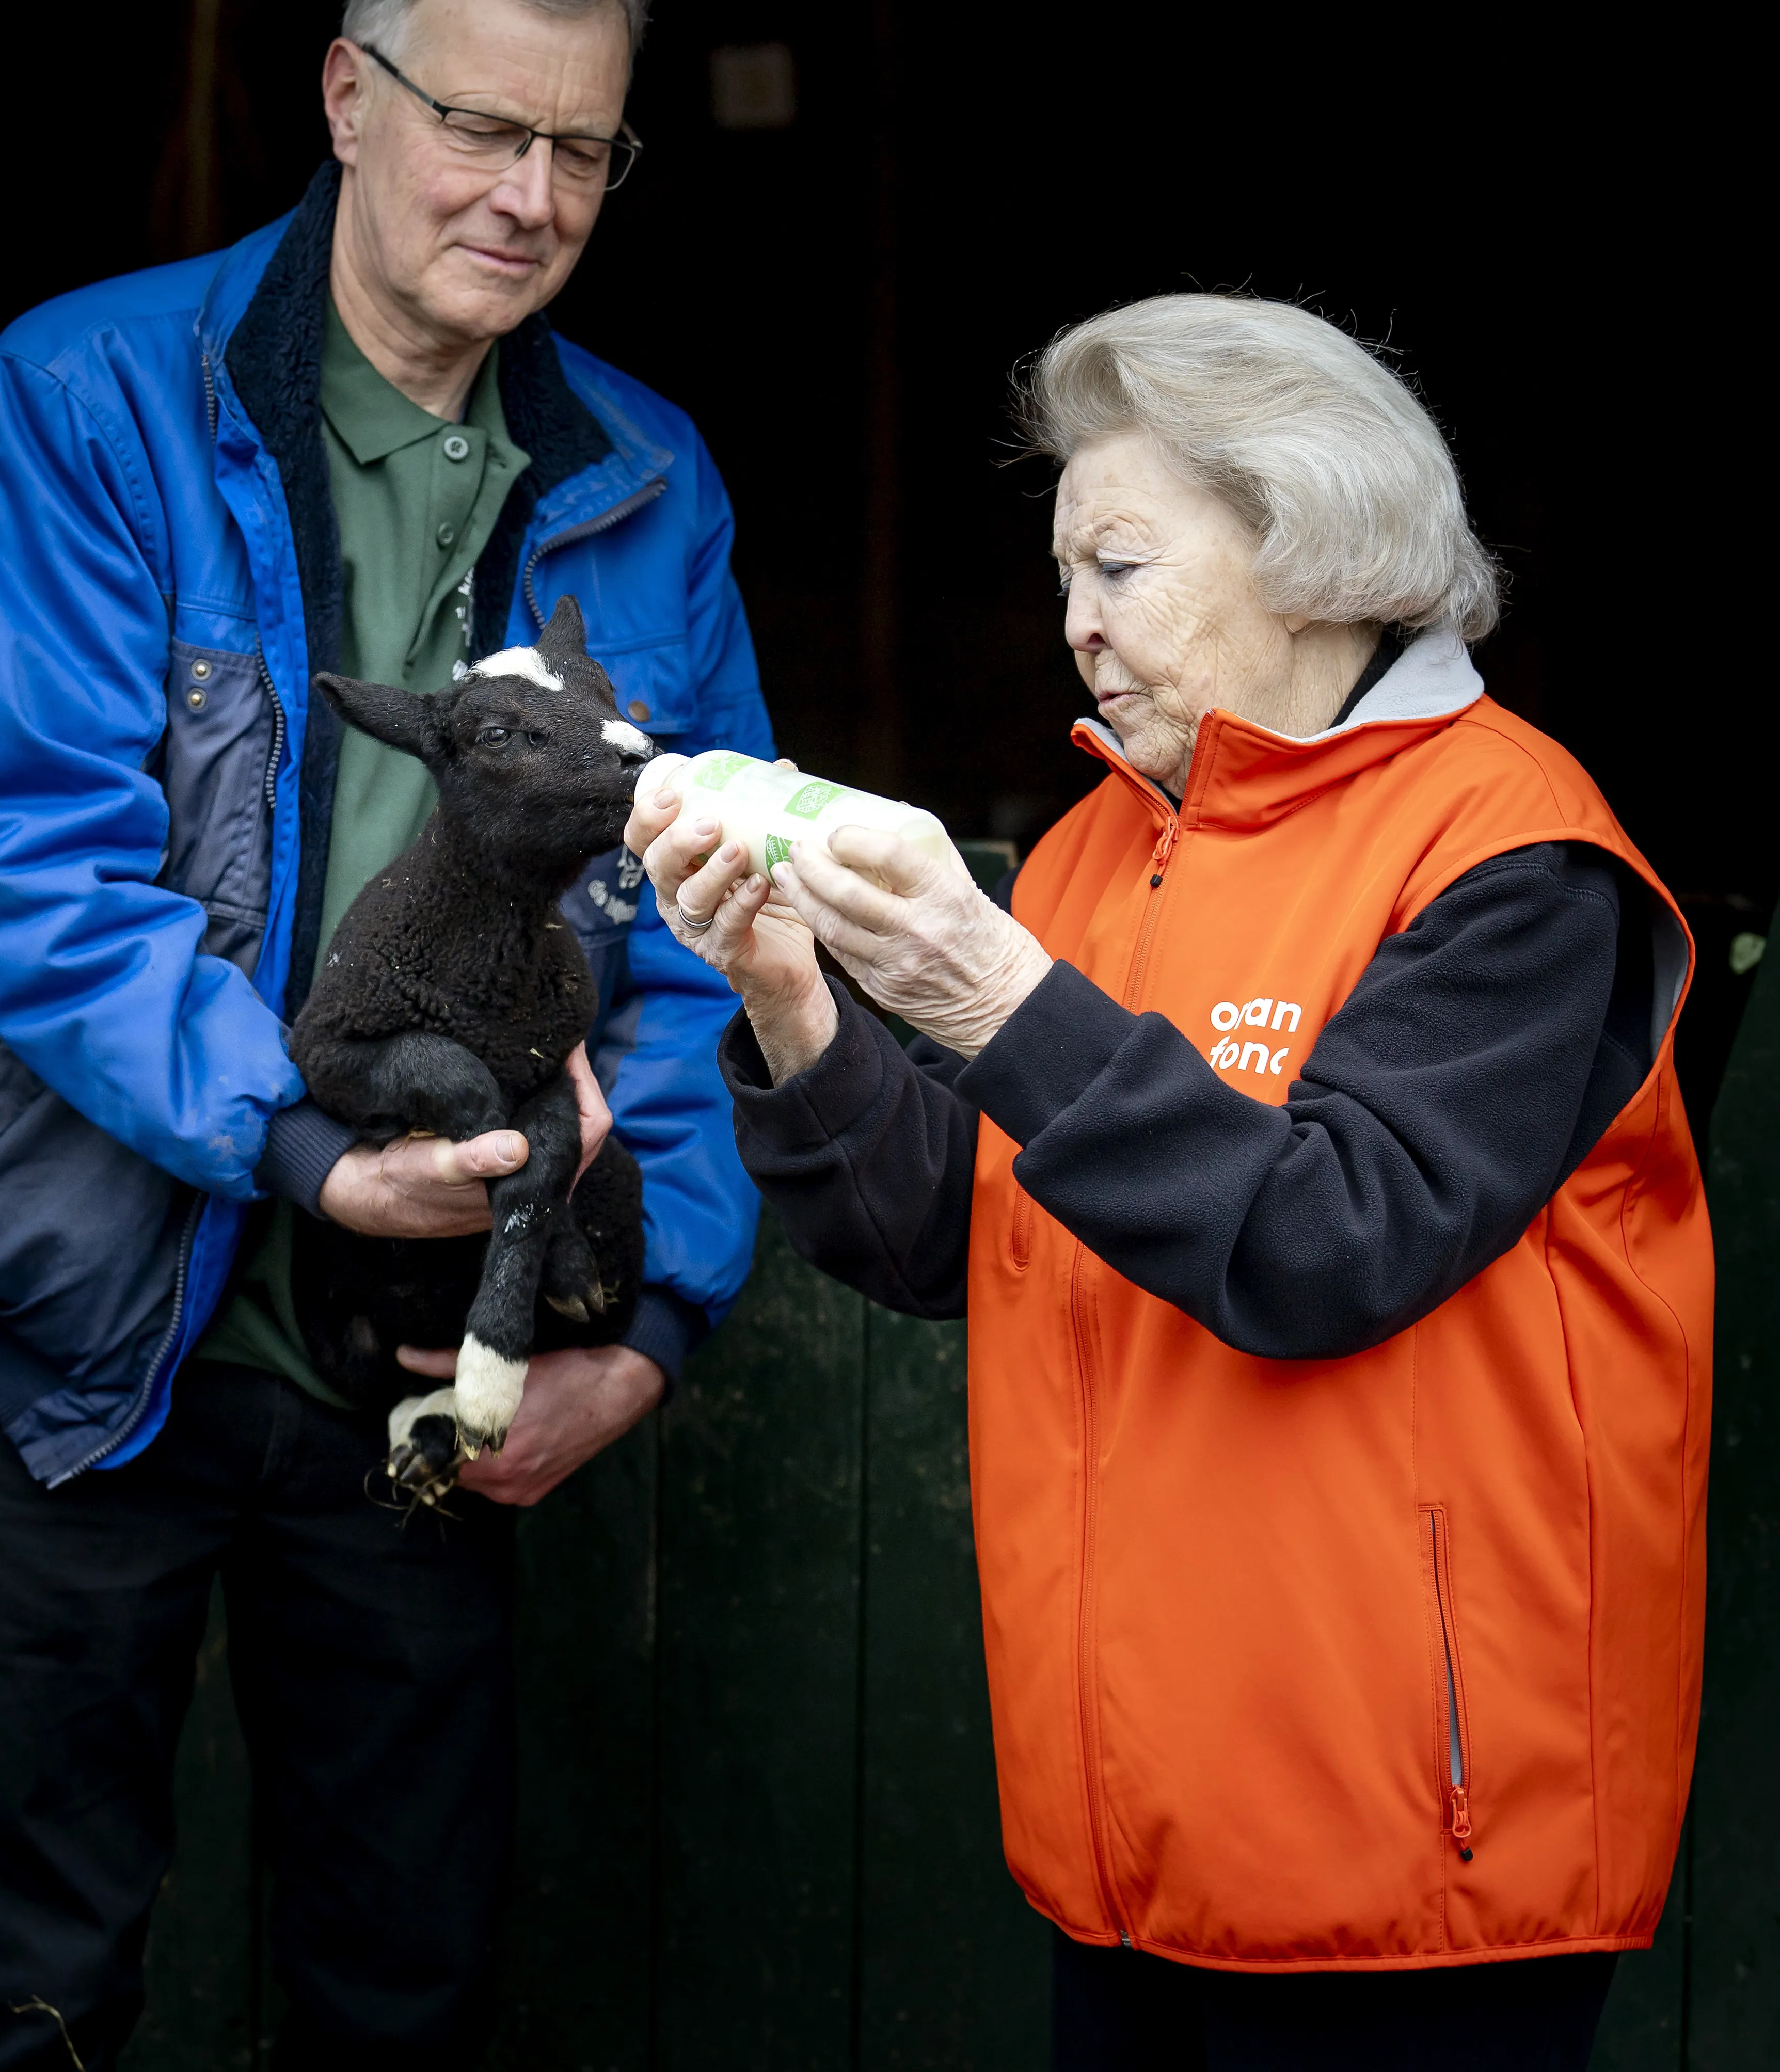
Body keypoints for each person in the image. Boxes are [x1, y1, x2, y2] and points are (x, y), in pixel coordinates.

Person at [0, 0, 772, 2070]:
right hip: (80, 1311)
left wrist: (651, 1325)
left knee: (404, 1994)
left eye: (585, 147)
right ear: (348, 97)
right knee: (34, 1997)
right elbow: (32, 860)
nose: (531, 197)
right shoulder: (90, 394)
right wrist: (303, 1143)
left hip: (426, 1362)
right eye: (481, 127)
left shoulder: (643, 478)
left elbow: (712, 934)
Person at [631, 294, 1710, 2071]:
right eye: (1064, 569)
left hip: (1420, 1872)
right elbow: (945, 1239)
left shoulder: (1516, 851)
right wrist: (792, 1000)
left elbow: (1327, 1242)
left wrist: (993, 992)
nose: (1073, 621)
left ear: (1309, 549)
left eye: (1119, 565)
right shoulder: (1093, 847)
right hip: (1124, 1849)